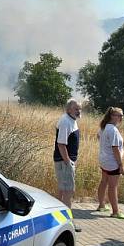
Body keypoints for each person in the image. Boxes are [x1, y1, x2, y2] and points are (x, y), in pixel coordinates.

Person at [54, 99, 82, 232]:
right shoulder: (65, 121)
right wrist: (68, 162)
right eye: (76, 109)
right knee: (68, 191)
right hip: (64, 162)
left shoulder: (71, 120)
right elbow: (61, 144)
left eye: (80, 109)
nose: (79, 111)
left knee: (62, 191)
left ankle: (56, 220)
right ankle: (68, 222)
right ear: (69, 109)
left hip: (65, 161)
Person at [96, 107, 124, 219]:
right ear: (111, 116)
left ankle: (101, 205)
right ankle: (115, 211)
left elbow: (98, 137)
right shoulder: (113, 130)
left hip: (104, 159)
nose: (121, 118)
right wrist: (120, 165)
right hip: (112, 162)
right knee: (113, 187)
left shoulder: (103, 127)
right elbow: (115, 148)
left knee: (104, 181)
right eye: (118, 115)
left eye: (122, 115)